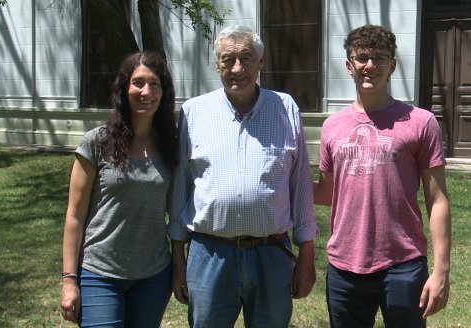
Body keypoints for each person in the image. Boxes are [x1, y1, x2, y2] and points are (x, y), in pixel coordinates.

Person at [168, 25, 317, 328]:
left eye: (246, 58)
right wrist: (178, 260)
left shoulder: (284, 108)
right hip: (209, 254)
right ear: (216, 65)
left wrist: (307, 258)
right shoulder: (194, 113)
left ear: (260, 63)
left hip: (271, 254)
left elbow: (300, 188)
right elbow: (180, 188)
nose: (237, 68)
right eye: (227, 59)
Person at [313, 24, 451, 327]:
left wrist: (441, 270)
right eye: (361, 58)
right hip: (344, 266)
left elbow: (438, 200)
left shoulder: (420, 122)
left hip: (403, 263)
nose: (370, 65)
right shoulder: (332, 127)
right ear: (349, 66)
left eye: (379, 58)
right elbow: (325, 193)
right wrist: (278, 179)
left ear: (393, 65)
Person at [59, 51, 177, 327]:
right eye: (137, 82)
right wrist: (69, 281)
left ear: (164, 91)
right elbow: (74, 216)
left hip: (154, 276)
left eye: (154, 83)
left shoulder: (172, 144)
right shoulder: (96, 143)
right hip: (99, 273)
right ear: (124, 88)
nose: (146, 91)